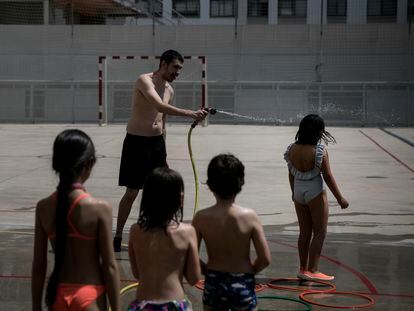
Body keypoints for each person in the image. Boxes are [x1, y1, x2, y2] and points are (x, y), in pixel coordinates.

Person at [114, 49, 209, 252]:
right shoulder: (144, 80)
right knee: (132, 191)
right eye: (175, 67)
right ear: (164, 64)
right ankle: (118, 235)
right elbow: (158, 105)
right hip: (136, 143)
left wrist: (163, 148)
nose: (178, 72)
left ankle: (158, 232)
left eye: (180, 68)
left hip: (156, 144)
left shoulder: (170, 90)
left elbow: (162, 120)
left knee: (162, 190)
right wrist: (191, 113)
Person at [31, 129, 120, 311]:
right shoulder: (100, 208)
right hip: (89, 294)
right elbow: (109, 266)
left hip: (57, 295)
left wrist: (35, 307)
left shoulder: (44, 207)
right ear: (89, 164)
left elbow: (39, 264)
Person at [192, 154, 271, 311]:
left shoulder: (201, 218)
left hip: (214, 280)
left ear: (210, 184)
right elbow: (265, 259)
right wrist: (248, 272)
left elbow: (190, 255)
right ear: (240, 183)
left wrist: (206, 270)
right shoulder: (250, 217)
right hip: (242, 280)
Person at [284, 114, 349, 282]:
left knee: (304, 232)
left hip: (298, 190)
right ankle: (313, 269)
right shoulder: (319, 150)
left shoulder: (292, 149)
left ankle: (302, 268)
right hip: (314, 191)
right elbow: (327, 175)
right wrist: (340, 198)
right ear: (319, 131)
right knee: (319, 231)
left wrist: (293, 193)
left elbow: (291, 173)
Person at [128, 167, 201, 310]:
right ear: (180, 199)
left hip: (143, 304)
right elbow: (193, 278)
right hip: (174, 304)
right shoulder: (187, 232)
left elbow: (137, 274)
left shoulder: (136, 230)